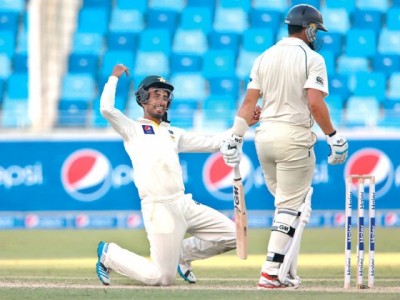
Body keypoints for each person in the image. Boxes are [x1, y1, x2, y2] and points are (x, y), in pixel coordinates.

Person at [220, 4, 349, 289]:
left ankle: (286, 272)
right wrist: (333, 136)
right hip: (294, 138)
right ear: (310, 29)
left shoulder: (263, 57)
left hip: (264, 139)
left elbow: (248, 104)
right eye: (316, 30)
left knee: (292, 207)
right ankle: (270, 271)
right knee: (291, 207)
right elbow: (315, 103)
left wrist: (235, 136)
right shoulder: (312, 59)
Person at [95, 64, 260, 287]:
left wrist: (243, 126)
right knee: (162, 278)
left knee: (235, 236)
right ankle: (109, 254)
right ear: (143, 98)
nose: (161, 101)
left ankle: (182, 254)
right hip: (159, 208)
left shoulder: (173, 133)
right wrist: (113, 78)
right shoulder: (132, 129)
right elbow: (106, 109)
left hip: (184, 204)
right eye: (156, 95)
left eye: (165, 96)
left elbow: (213, 143)